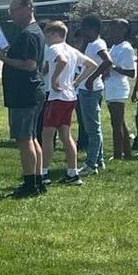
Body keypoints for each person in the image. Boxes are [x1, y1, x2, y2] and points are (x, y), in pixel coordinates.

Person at [0, 0, 48, 197]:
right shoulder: (32, 32)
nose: (11, 14)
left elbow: (30, 65)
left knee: (24, 139)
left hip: (24, 92)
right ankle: (37, 180)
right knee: (32, 137)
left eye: (14, 10)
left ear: (28, 8)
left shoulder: (29, 34)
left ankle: (30, 185)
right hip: (31, 91)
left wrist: (4, 58)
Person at [41, 21, 99, 186]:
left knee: (47, 136)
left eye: (47, 35)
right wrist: (76, 82)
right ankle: (72, 173)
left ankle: (43, 173)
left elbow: (62, 61)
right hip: (70, 97)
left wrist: (54, 80)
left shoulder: (54, 49)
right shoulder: (72, 49)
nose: (46, 39)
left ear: (53, 34)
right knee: (66, 136)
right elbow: (92, 65)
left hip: (57, 96)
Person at [76, 14, 112, 176]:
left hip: (90, 90)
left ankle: (91, 164)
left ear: (94, 29)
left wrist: (92, 78)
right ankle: (99, 159)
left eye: (85, 27)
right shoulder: (90, 43)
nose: (82, 30)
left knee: (92, 128)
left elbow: (108, 61)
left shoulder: (97, 43)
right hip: (86, 89)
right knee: (93, 126)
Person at [103, 19, 136, 162]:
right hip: (111, 86)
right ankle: (126, 152)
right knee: (120, 121)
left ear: (123, 30)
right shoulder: (114, 47)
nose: (111, 31)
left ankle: (117, 154)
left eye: (114, 28)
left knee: (116, 123)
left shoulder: (126, 47)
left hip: (119, 87)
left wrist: (112, 67)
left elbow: (131, 72)